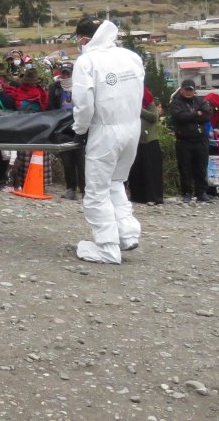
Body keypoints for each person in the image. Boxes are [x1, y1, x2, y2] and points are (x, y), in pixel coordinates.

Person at [69, 17, 144, 264]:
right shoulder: (131, 57)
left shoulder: (87, 61)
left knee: (96, 191)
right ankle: (127, 234)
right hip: (132, 127)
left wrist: (79, 130)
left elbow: (84, 104)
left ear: (83, 38)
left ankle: (106, 246)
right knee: (116, 182)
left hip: (105, 130)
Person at [169, 79, 213, 203]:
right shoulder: (176, 102)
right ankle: (187, 193)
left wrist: (191, 115)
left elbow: (207, 115)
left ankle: (201, 192)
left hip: (201, 140)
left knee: (201, 167)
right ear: (181, 90)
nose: (189, 92)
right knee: (185, 168)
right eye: (186, 89)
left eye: (191, 89)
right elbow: (179, 117)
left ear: (195, 91)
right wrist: (195, 114)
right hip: (184, 140)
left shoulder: (201, 101)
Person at [48, 62, 85, 200]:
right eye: (63, 72)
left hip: (79, 128)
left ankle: (85, 189)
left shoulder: (80, 87)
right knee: (67, 161)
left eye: (68, 73)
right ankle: (71, 188)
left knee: (81, 161)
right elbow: (51, 107)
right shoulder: (55, 88)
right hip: (62, 128)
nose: (65, 75)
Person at [127, 88, 164, 205]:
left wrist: (139, 110)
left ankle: (153, 197)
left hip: (150, 141)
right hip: (136, 141)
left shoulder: (149, 103)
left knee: (151, 171)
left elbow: (154, 117)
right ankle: (138, 196)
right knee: (136, 171)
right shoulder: (128, 104)